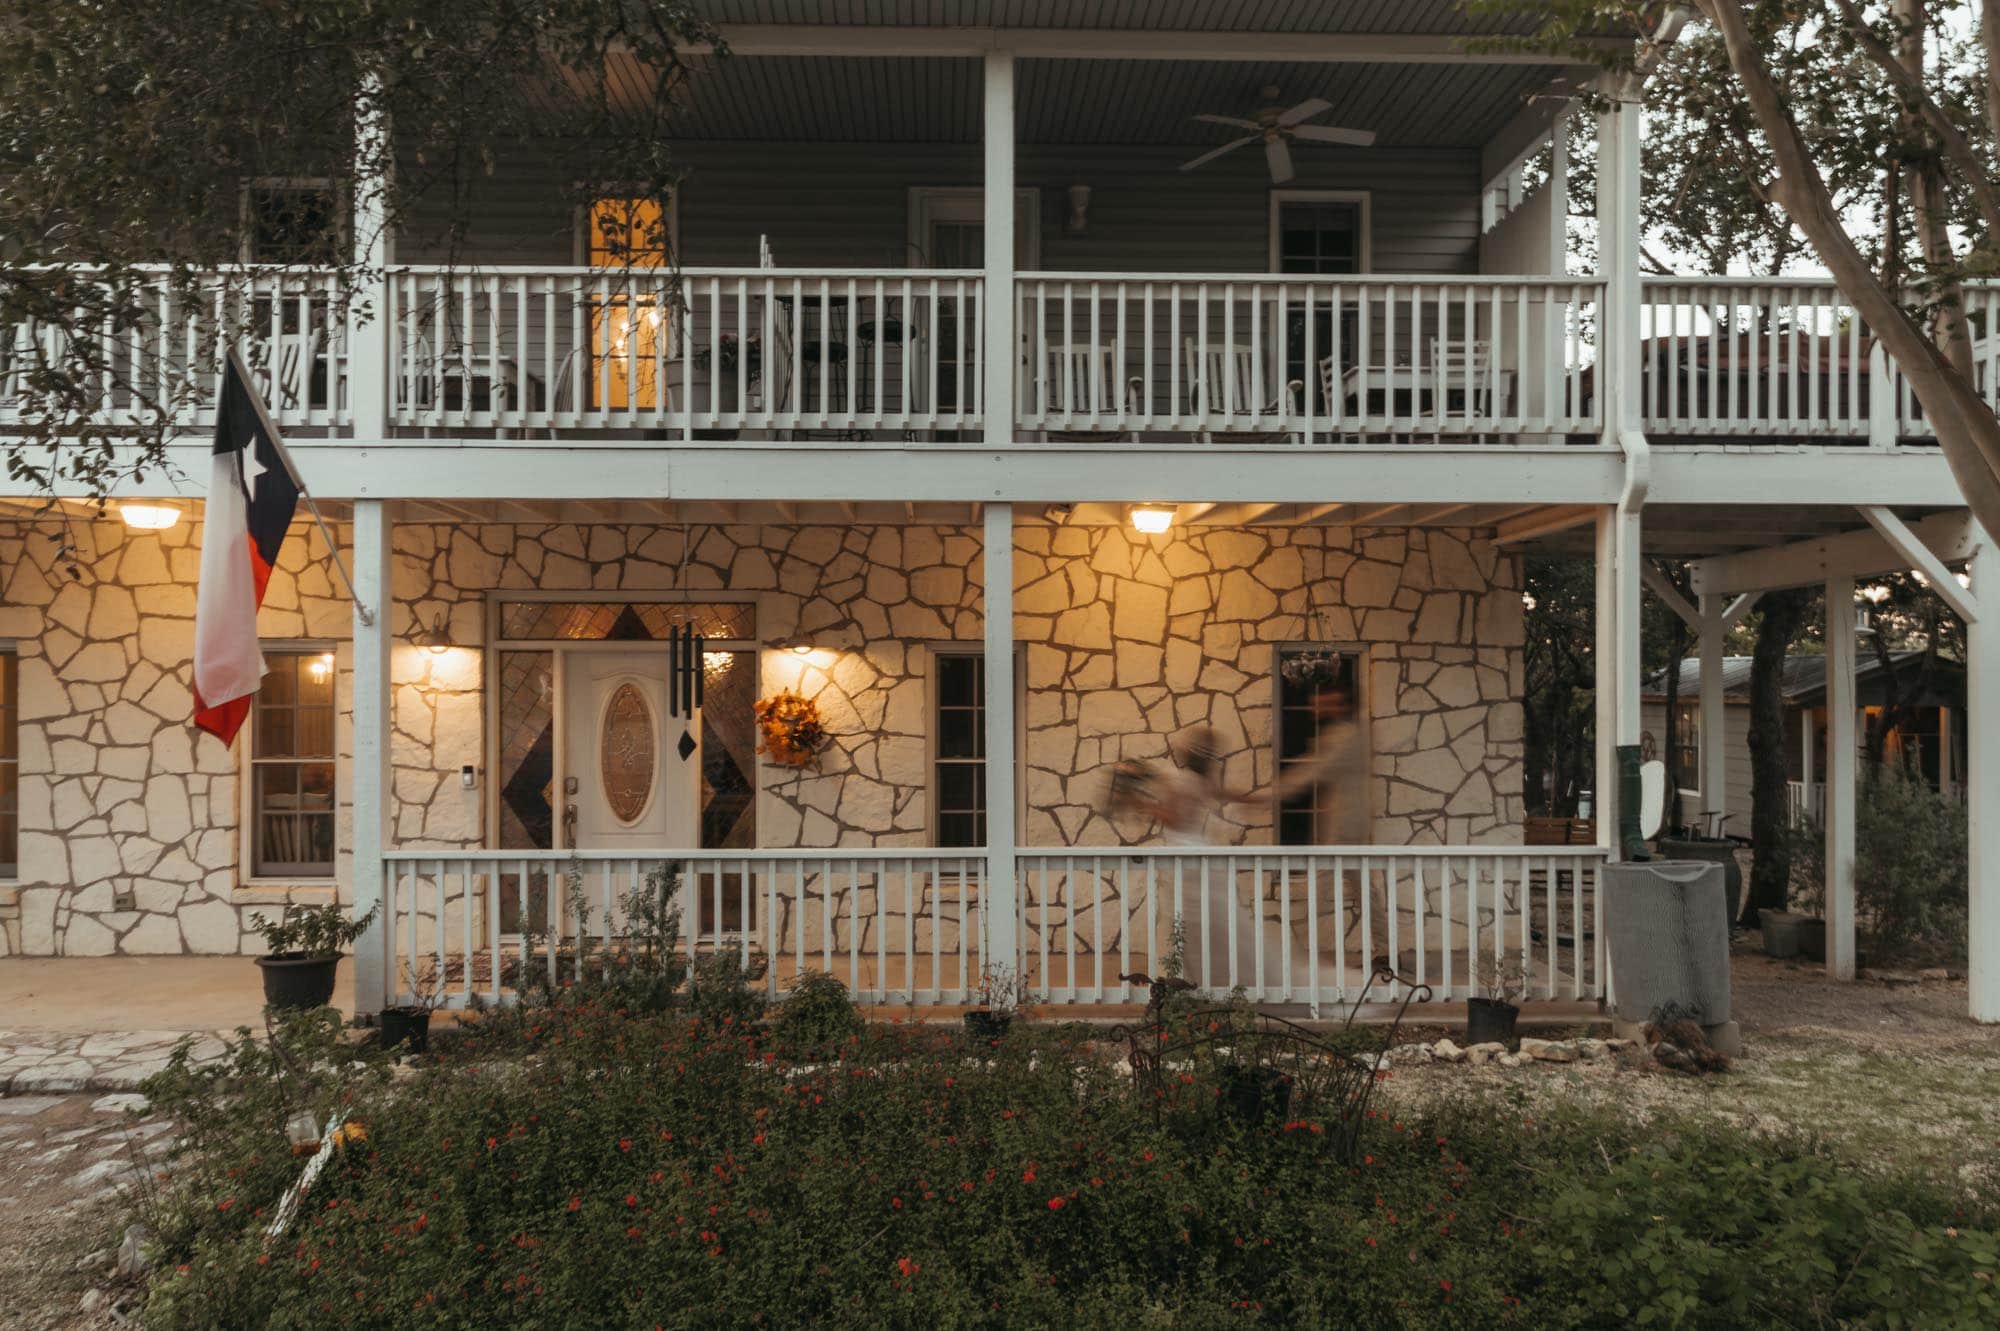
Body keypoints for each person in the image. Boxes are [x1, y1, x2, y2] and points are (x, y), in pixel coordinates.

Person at [1128, 727, 1258, 992]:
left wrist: (1143, 803)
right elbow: (1229, 794)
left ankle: (1190, 980)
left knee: (1183, 922)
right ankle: (1205, 979)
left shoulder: (1178, 780)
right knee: (1206, 922)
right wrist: (1258, 799)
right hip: (1199, 852)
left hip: (1183, 858)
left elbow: (1174, 818)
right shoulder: (1201, 782)